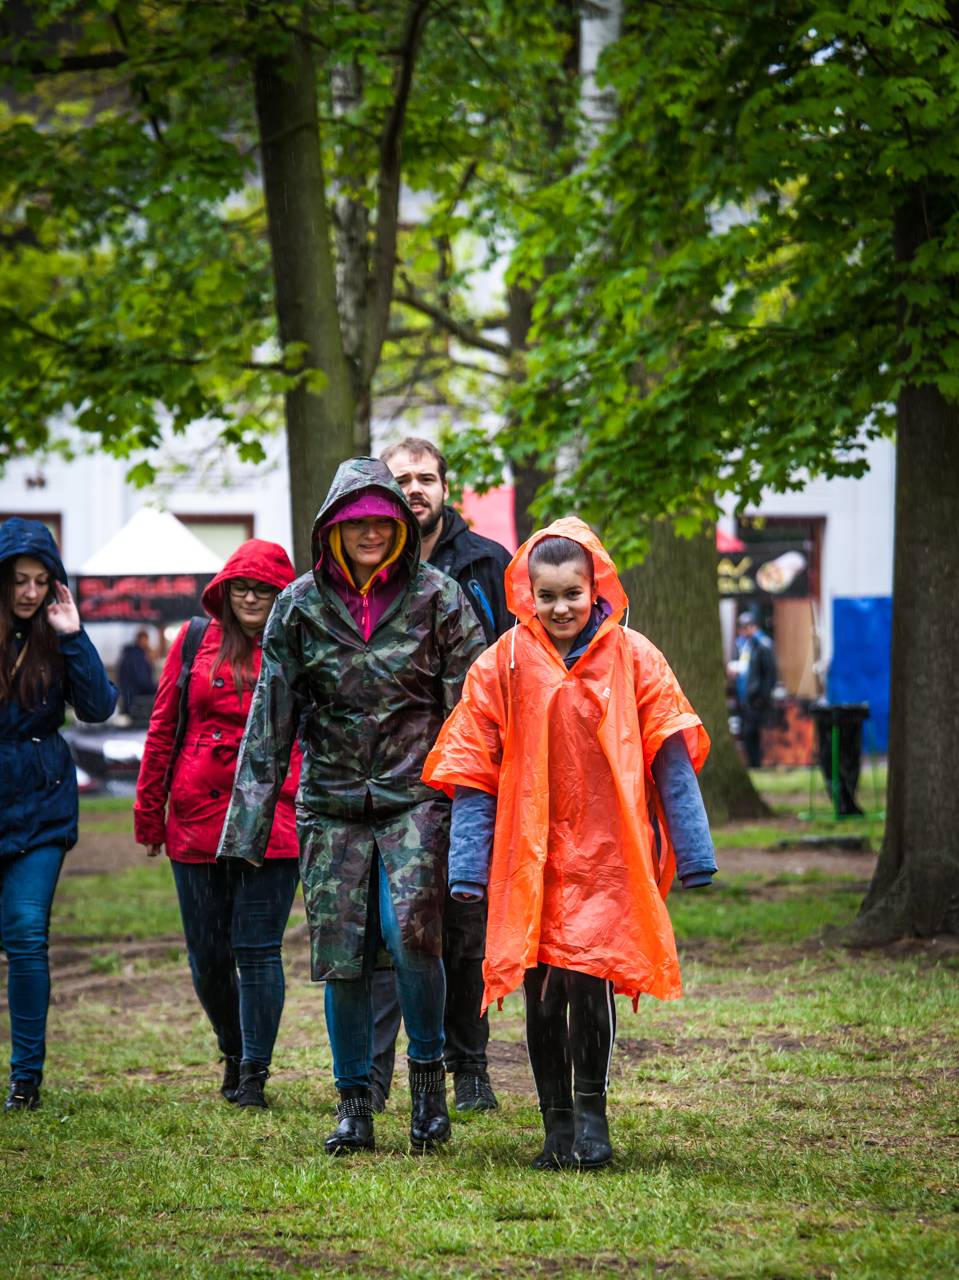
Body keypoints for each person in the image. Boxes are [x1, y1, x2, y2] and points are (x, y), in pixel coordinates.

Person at [422, 518, 717, 1169]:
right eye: (547, 595)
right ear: (527, 593)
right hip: (530, 858)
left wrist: (693, 853)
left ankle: (591, 1118)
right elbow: (472, 766)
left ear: (595, 589)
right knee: (540, 990)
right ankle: (554, 1124)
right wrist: (468, 869)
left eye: (572, 594)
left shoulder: (635, 656)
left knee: (590, 981)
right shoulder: (501, 662)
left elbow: (667, 749)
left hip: (608, 856)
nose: (559, 607)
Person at [216, 458, 486, 1156]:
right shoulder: (299, 604)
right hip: (331, 804)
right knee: (341, 957)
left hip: (416, 800)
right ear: (331, 529)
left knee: (411, 939)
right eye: (354, 522)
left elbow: (475, 710)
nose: (369, 532)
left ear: (400, 525)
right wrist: (243, 830)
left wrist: (481, 804)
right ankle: (354, 1103)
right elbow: (269, 718)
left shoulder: (439, 597)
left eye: (381, 520)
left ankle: (427, 1082)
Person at [373, 436, 514, 1115]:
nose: (413, 489)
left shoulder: (487, 565)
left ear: (444, 487)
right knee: (389, 930)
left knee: (464, 928)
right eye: (401, 478)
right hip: (389, 769)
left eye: (425, 477)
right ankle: (373, 1076)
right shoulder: (365, 563)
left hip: (470, 769)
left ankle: (469, 1066)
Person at [134, 539, 301, 1109]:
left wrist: (298, 794)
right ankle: (233, 1047)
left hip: (272, 814)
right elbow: (163, 727)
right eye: (241, 587)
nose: (252, 598)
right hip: (197, 812)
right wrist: (148, 811)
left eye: (264, 589)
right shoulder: (195, 641)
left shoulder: (299, 642)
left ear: (282, 594)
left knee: (257, 949)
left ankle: (254, 1071)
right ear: (224, 590)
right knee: (207, 955)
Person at [0, 518, 117, 1112]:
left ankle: (26, 1079)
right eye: (19, 580)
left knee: (24, 933)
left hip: (42, 807)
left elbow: (98, 706)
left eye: (41, 581)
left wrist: (72, 635)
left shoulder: (56, 633)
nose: (29, 593)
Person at [734, 611, 777, 768]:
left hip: (756, 699)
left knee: (752, 733)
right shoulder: (746, 645)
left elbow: (770, 674)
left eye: (746, 627)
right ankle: (754, 764)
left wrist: (762, 697)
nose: (743, 631)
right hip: (746, 698)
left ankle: (757, 764)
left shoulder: (763, 645)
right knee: (748, 734)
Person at [117, 627, 157, 718]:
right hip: (135, 696)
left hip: (128, 696)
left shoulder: (129, 654)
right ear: (141, 640)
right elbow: (142, 680)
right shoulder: (137, 657)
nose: (147, 643)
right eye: (146, 640)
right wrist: (156, 688)